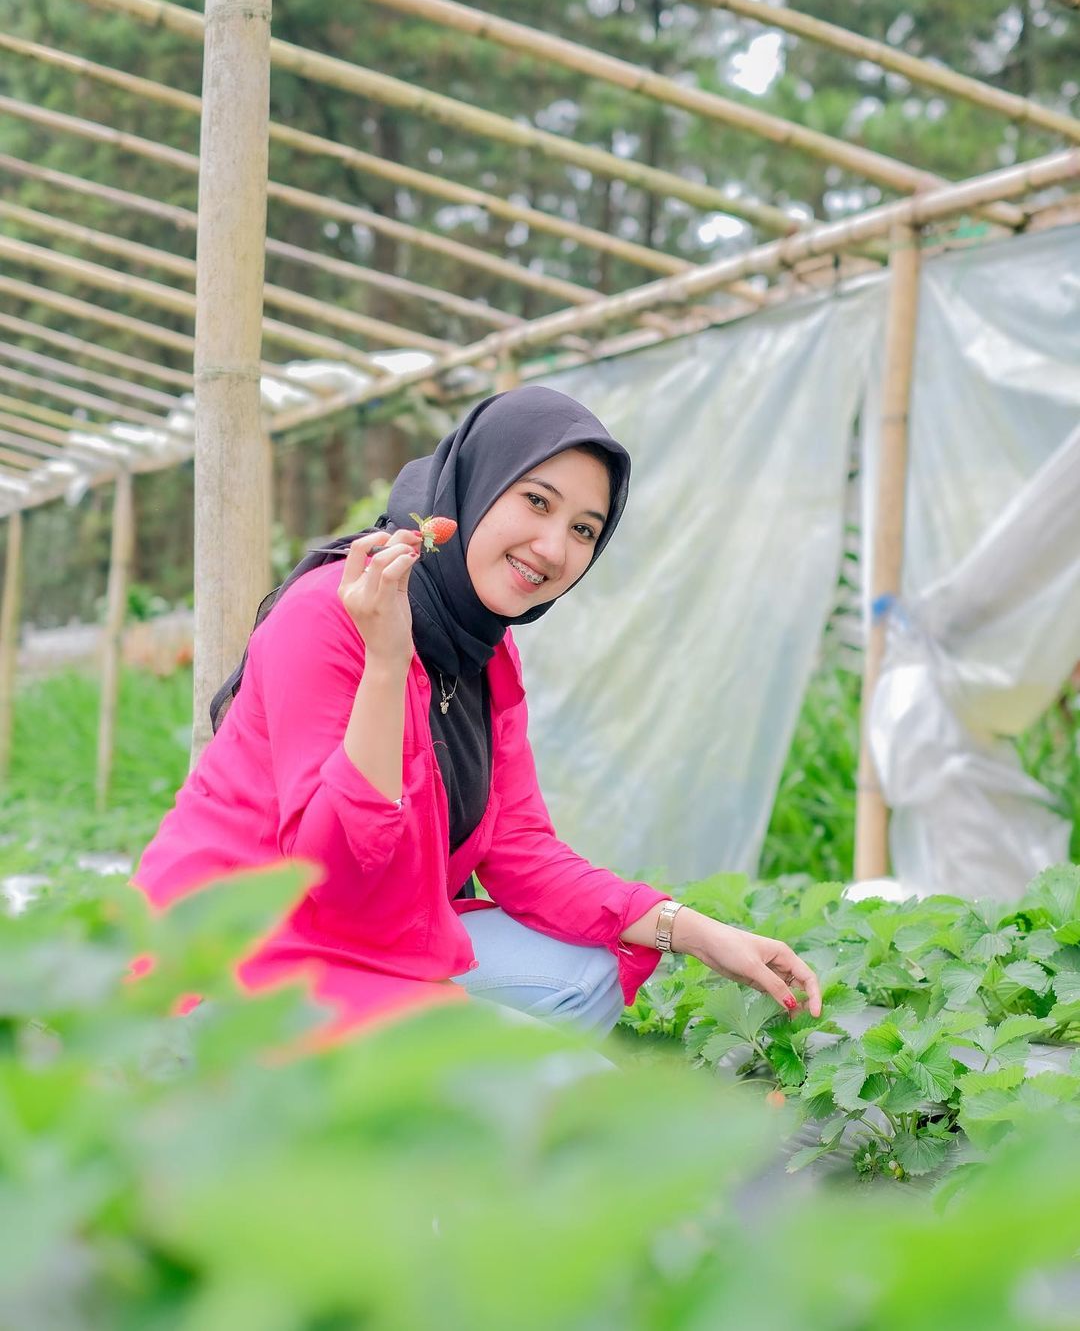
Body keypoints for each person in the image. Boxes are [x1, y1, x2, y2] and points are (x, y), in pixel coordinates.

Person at [133, 387, 821, 1037]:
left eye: (584, 528)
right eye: (536, 501)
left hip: (364, 939)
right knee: (541, 1080)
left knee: (590, 971)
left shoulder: (486, 651)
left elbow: (520, 851)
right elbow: (331, 878)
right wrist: (386, 660)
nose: (554, 548)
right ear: (475, 483)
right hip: (237, 956)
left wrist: (696, 931)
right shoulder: (331, 615)